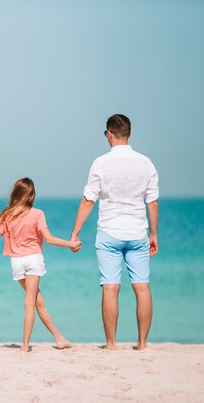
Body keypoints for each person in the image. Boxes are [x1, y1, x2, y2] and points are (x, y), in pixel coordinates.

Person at [70, 114, 159, 351]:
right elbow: (152, 202)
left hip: (109, 232)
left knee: (110, 287)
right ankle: (142, 344)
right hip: (138, 232)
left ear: (109, 133)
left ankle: (111, 345)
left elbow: (89, 200)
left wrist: (75, 233)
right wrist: (154, 234)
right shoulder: (146, 163)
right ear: (129, 134)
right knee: (142, 286)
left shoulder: (101, 163)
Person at [0, 178, 79, 352]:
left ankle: (59, 338)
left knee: (39, 302)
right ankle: (25, 346)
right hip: (33, 260)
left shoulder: (6, 215)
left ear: (15, 193)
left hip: (17, 262)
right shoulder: (37, 213)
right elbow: (50, 239)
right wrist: (71, 244)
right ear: (31, 195)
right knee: (30, 302)